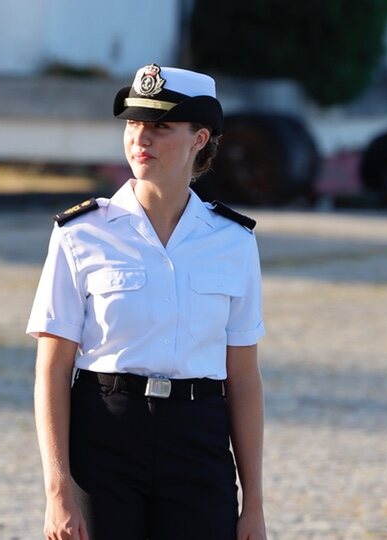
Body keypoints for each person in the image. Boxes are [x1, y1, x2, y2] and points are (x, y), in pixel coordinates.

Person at [27, 64, 267, 540]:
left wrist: (254, 502)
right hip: (104, 436)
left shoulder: (233, 241)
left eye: (160, 126)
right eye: (134, 123)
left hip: (197, 439)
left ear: (200, 138)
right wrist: (58, 493)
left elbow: (244, 377)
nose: (142, 138)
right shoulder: (81, 233)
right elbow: (52, 370)